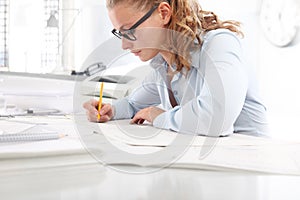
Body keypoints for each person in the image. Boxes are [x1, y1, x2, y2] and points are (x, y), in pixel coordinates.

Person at [83, 0, 268, 137]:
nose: (124, 45)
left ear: (163, 13)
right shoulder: (163, 64)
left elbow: (215, 119)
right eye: (120, 33)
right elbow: (134, 104)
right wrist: (109, 110)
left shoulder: (220, 44)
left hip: (247, 168)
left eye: (130, 31)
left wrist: (158, 116)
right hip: (207, 167)